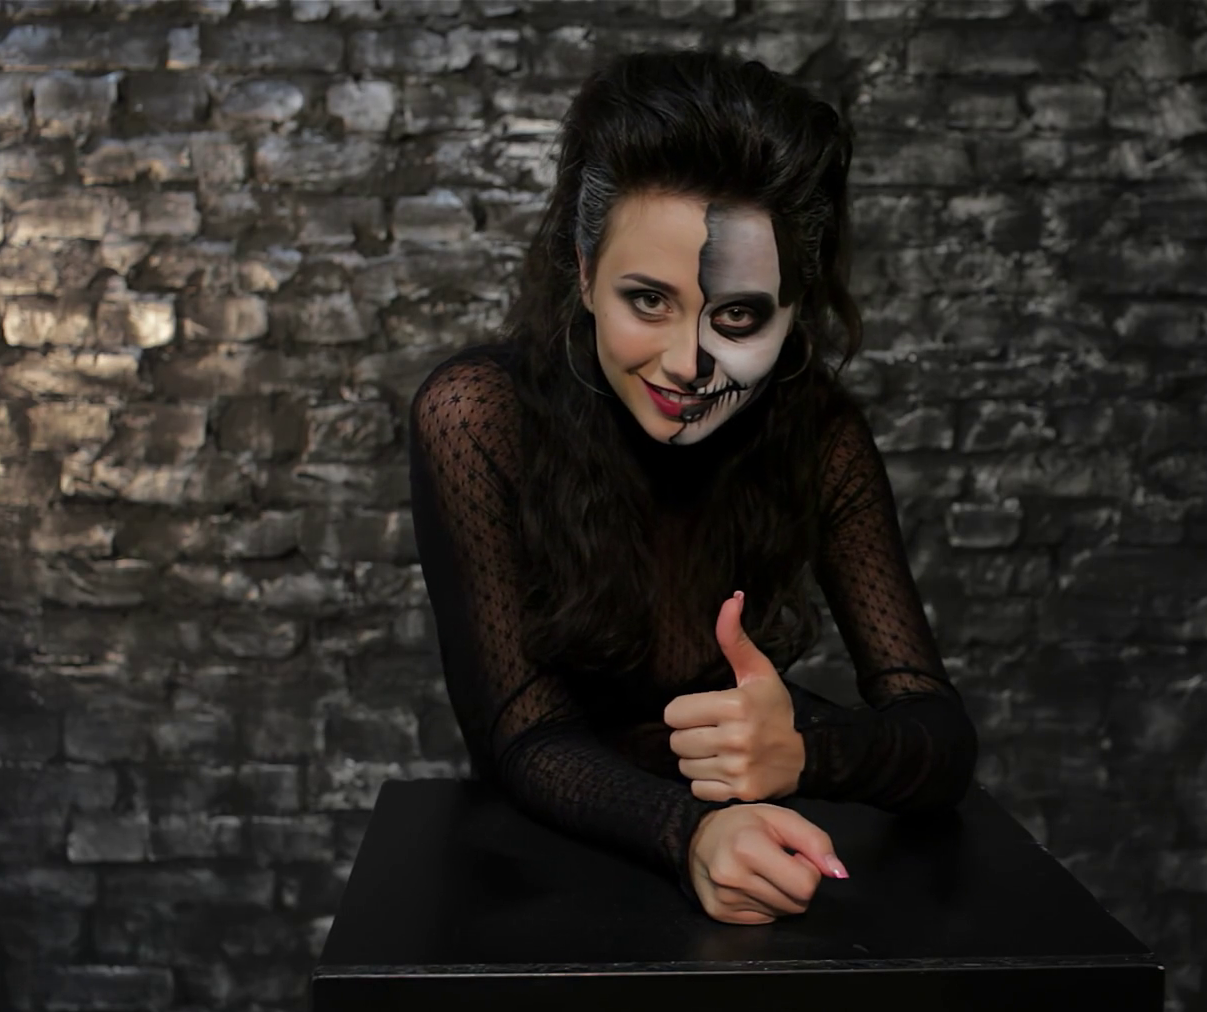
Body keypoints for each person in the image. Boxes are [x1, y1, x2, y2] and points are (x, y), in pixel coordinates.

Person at [407, 49, 978, 926]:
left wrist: (808, 750)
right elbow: (521, 732)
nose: (688, 363)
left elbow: (940, 736)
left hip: (754, 869)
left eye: (738, 314)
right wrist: (689, 832)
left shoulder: (818, 436)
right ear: (584, 270)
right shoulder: (479, 417)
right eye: (649, 300)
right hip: (541, 882)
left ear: (794, 308)